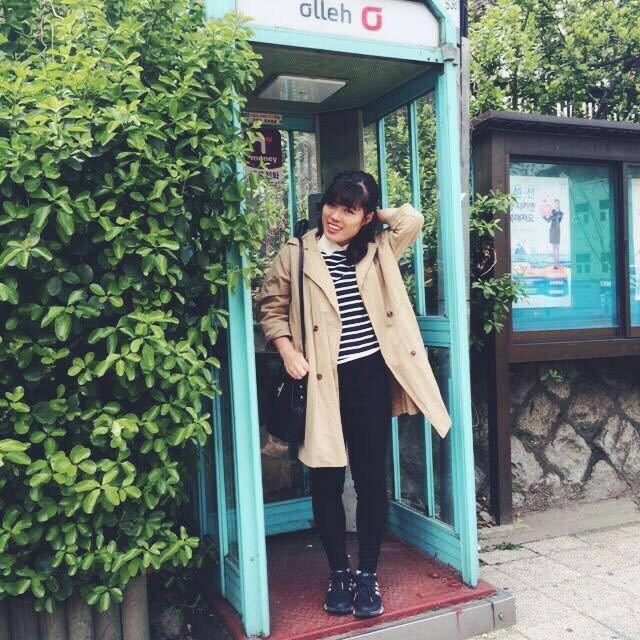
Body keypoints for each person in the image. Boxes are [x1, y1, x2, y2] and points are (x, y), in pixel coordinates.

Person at [257, 170, 451, 619]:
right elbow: (271, 307)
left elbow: (412, 219)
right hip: (320, 380)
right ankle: (338, 573)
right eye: (332, 204)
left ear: (365, 217)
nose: (335, 216)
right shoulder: (297, 252)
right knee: (326, 479)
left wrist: (371, 216)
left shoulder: (378, 248)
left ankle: (367, 574)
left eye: (349, 210)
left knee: (369, 480)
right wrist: (287, 349)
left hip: (369, 379)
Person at [543, 198, 564, 269]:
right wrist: (543, 216)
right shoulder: (552, 211)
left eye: (557, 203)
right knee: (553, 247)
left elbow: (558, 221)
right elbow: (548, 221)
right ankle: (555, 264)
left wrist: (552, 215)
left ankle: (557, 263)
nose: (556, 205)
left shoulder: (561, 213)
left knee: (557, 247)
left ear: (559, 204)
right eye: (555, 203)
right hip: (552, 229)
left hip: (557, 230)